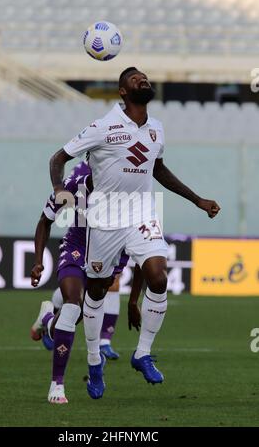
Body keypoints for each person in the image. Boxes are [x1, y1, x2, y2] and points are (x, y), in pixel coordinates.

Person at [49, 66, 221, 400]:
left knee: (158, 277)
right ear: (123, 92)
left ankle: (142, 353)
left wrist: (197, 199)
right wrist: (58, 187)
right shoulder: (103, 127)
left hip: (142, 214)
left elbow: (158, 170)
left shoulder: (156, 129)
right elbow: (58, 157)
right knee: (96, 291)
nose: (143, 80)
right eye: (134, 79)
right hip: (104, 220)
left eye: (145, 77)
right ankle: (95, 360)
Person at [30, 161, 129, 403]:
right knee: (73, 305)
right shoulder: (75, 186)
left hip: (104, 256)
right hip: (75, 250)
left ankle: (47, 317)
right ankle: (57, 384)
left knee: (69, 320)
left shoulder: (128, 193)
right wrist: (38, 261)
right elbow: (45, 220)